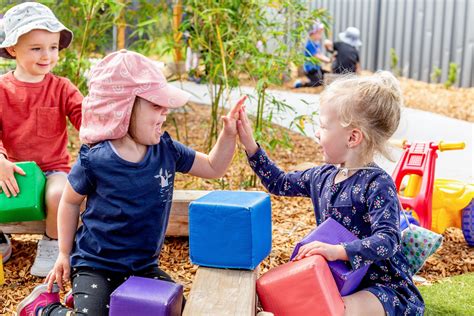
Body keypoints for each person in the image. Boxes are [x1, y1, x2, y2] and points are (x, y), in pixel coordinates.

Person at [16, 49, 245, 316]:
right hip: (95, 264)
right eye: (156, 105)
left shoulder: (165, 150)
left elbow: (213, 166)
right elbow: (69, 201)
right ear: (123, 107)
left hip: (142, 266)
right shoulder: (96, 159)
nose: (165, 113)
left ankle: (90, 300)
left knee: (177, 311)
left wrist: (229, 135)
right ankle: (43, 309)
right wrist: (64, 253)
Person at [238, 71, 424, 315]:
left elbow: (388, 240)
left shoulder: (377, 184)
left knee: (333, 310)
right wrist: (250, 145)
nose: (317, 132)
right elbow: (279, 183)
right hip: (338, 281)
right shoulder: (322, 176)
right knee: (301, 302)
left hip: (382, 287)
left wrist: (338, 251)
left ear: (353, 137)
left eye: (324, 126)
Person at [0, 2, 82, 275]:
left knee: (60, 193)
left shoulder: (62, 88)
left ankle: (52, 242)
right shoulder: (2, 89)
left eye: (53, 47)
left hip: (52, 170)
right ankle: (2, 238)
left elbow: (87, 119)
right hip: (11, 167)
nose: (47, 55)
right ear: (13, 49)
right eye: (36, 48)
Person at [294, 22, 330, 88]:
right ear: (313, 33)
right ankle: (301, 83)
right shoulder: (310, 44)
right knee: (318, 82)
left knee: (325, 76)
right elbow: (316, 55)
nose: (320, 35)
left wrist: (327, 59)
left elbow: (320, 54)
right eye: (319, 33)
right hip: (311, 69)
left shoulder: (316, 43)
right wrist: (327, 60)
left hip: (317, 67)